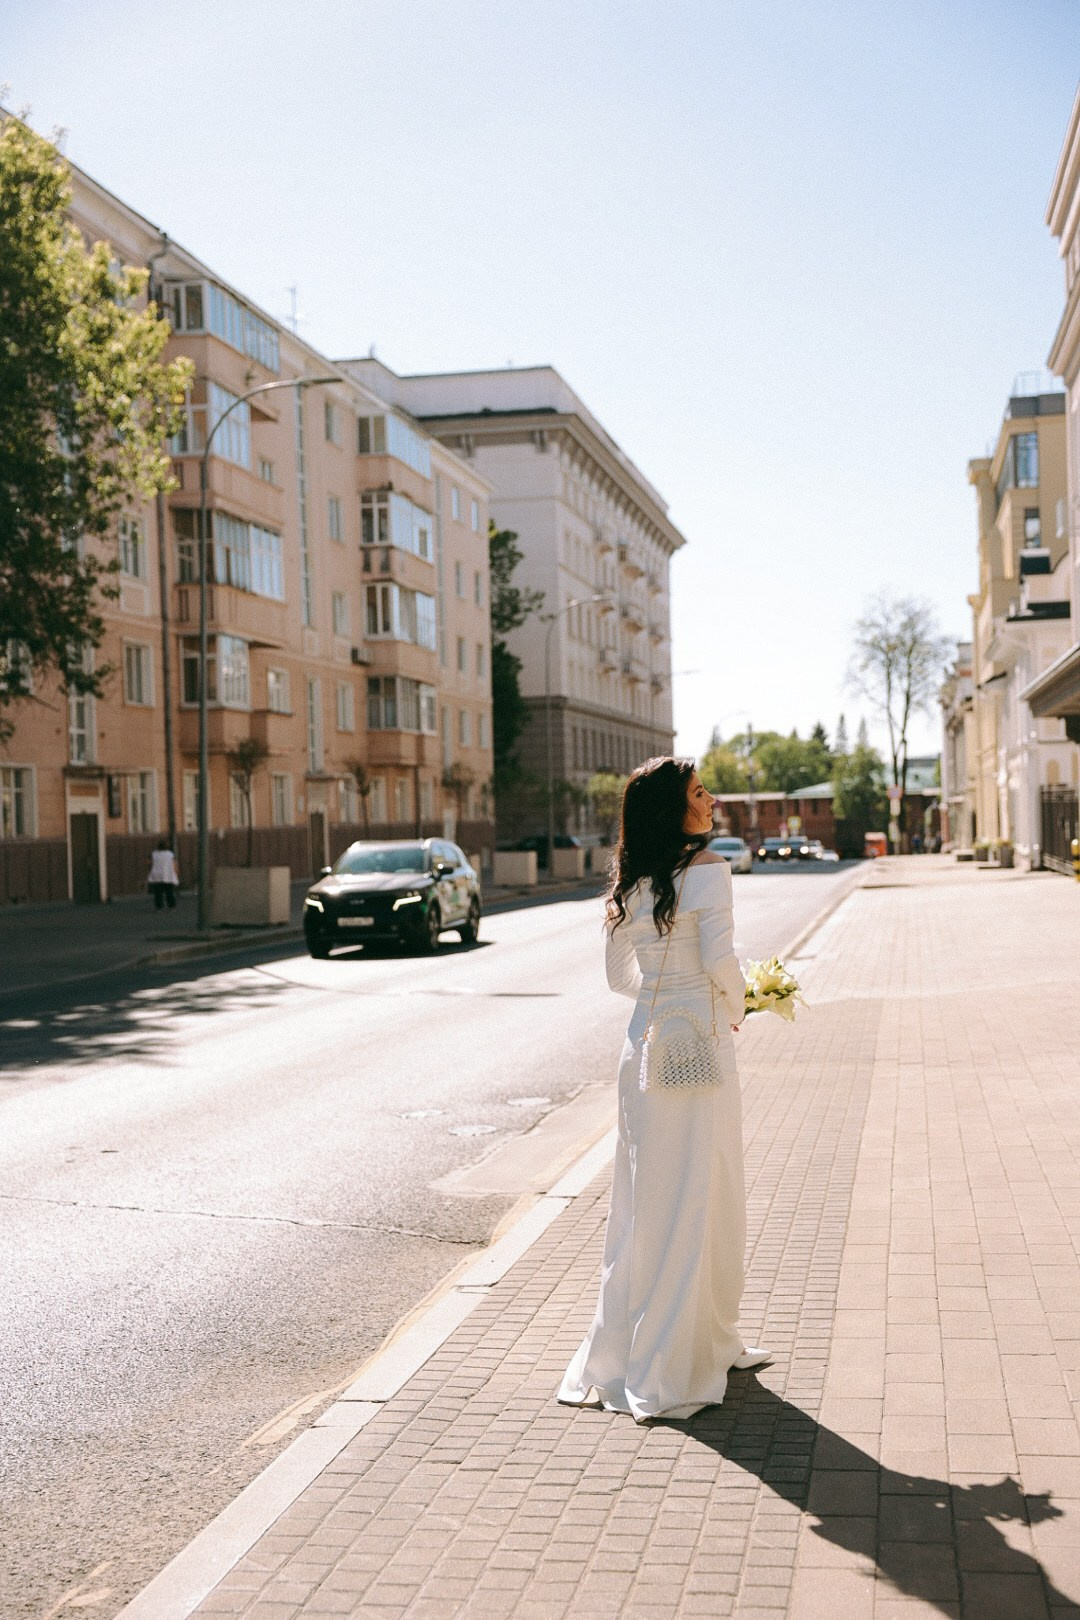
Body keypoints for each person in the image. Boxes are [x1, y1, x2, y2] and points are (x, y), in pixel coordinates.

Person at [558, 757, 771, 1423]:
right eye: (699, 793)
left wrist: (662, 992)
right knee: (709, 1188)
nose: (712, 801)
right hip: (700, 1047)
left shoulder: (634, 881)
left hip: (643, 1049)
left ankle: (670, 1343)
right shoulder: (708, 870)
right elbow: (720, 960)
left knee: (647, 1198)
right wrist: (740, 1001)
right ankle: (692, 1348)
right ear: (673, 810)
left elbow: (619, 978)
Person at [147, 839, 180, 909]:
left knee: (158, 893)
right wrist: (176, 874)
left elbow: (149, 863)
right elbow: (174, 865)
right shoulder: (170, 854)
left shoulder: (154, 854)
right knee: (169, 892)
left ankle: (159, 907)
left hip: (157, 875)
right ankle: (171, 906)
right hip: (168, 875)